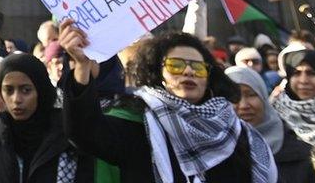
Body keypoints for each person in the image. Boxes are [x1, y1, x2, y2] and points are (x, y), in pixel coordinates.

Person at [59, 21, 277, 183]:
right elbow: (84, 133)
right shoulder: (137, 124)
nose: (189, 71)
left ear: (208, 76)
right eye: (176, 65)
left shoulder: (238, 132)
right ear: (159, 74)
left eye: (197, 67)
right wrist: (82, 66)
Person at [0, 53, 92, 183]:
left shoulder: (65, 135)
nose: (16, 99)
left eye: (26, 90)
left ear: (40, 91)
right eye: (9, 90)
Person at [225, 66, 315, 183]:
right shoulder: (211, 154)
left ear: (263, 96)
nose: (243, 105)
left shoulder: (303, 152)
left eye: (251, 94)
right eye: (233, 97)